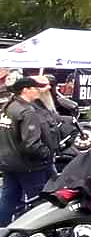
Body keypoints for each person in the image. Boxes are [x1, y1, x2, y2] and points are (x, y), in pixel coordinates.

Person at [0, 77, 61, 226]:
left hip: (9, 163)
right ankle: (36, 230)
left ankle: (2, 228)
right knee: (39, 203)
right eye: (34, 88)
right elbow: (31, 144)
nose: (38, 91)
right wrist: (47, 154)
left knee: (8, 199)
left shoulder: (9, 106)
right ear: (25, 90)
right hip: (30, 166)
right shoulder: (27, 112)